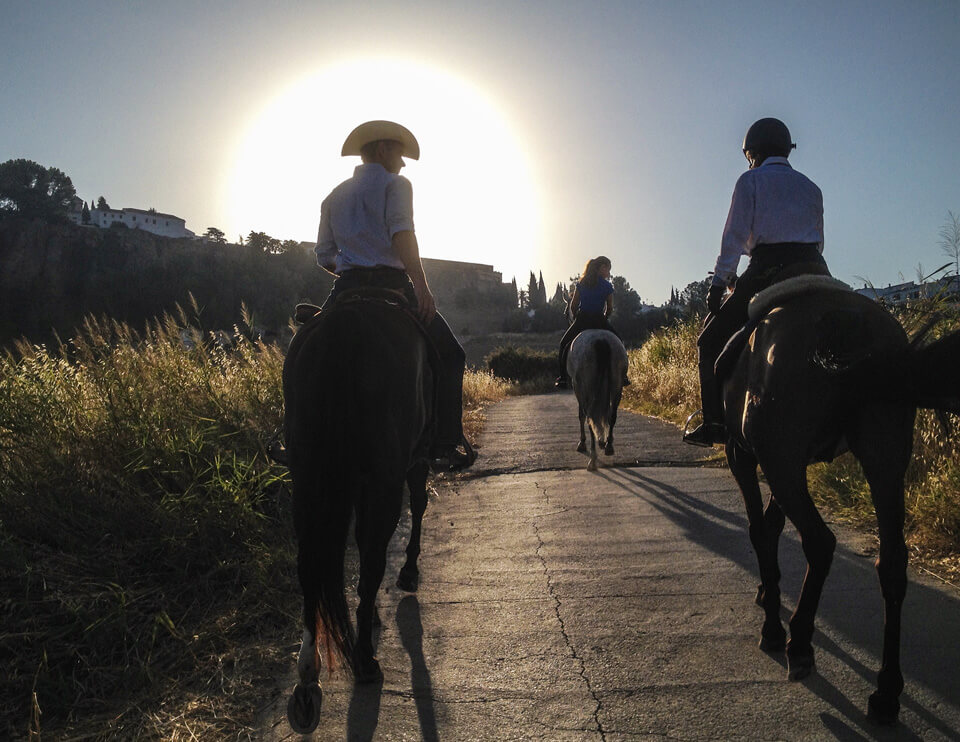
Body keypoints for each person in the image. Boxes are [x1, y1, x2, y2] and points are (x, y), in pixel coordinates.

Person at [314, 120, 475, 470]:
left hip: (346, 287)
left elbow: (324, 255)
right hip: (393, 286)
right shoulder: (397, 184)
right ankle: (445, 443)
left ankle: (294, 438)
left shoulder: (334, 196)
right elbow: (402, 234)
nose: (403, 163)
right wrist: (421, 286)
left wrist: (351, 265)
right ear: (383, 149)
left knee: (305, 348)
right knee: (450, 356)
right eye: (400, 154)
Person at [683, 117, 830, 447]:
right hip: (815, 268)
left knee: (709, 342)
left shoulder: (750, 181)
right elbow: (819, 241)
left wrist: (718, 286)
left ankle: (715, 424)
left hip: (768, 269)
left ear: (752, 153)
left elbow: (734, 238)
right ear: (786, 150)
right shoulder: (811, 187)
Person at [555, 255, 627, 388]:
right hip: (599, 320)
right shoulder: (607, 286)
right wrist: (604, 318)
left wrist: (576, 317)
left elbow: (573, 305)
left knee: (563, 344)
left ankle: (563, 378)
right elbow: (609, 308)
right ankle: (623, 376)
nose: (609, 273)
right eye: (608, 270)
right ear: (602, 268)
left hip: (583, 319)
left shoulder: (581, 283)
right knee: (619, 342)